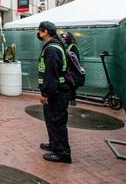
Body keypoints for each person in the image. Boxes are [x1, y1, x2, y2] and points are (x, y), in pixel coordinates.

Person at [37, 21, 72, 164]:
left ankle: (63, 153)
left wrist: (46, 94)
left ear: (45, 32)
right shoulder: (55, 46)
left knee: (57, 121)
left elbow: (51, 74)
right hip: (57, 92)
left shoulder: (52, 49)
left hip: (57, 93)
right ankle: (54, 144)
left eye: (39, 31)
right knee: (52, 120)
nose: (37, 33)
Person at [60, 32, 80, 106]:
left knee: (71, 85)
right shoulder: (64, 47)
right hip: (67, 69)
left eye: (63, 38)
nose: (62, 40)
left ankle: (72, 99)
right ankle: (68, 99)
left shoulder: (72, 46)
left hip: (71, 70)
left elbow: (75, 60)